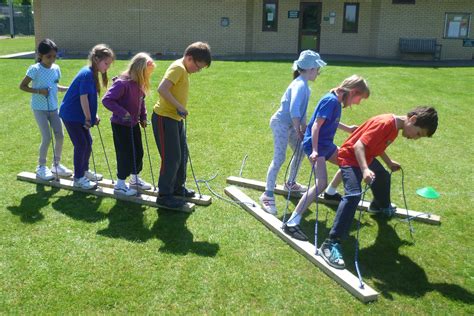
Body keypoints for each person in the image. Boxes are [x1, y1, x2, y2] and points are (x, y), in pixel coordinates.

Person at [320, 106, 438, 269]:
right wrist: (365, 169)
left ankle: (379, 206)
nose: (415, 138)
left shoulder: (395, 128)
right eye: (418, 133)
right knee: (354, 195)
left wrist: (388, 162)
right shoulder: (385, 123)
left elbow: (376, 146)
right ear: (412, 120)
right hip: (350, 158)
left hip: (364, 157)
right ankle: (331, 243)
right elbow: (359, 146)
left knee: (382, 177)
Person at [283, 75, 370, 241]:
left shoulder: (336, 101)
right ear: (353, 92)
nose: (358, 103)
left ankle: (331, 192)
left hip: (325, 144)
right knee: (320, 183)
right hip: (316, 146)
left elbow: (330, 121)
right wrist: (315, 151)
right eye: (360, 99)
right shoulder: (331, 101)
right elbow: (316, 125)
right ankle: (292, 222)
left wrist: (348, 128)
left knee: (347, 161)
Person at [259, 50, 327, 215]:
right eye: (317, 69)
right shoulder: (299, 85)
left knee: (301, 151)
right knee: (279, 158)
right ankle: (267, 195)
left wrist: (302, 127)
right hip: (281, 124)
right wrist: (298, 128)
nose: (318, 72)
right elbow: (294, 109)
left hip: (291, 125)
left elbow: (302, 112)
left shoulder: (305, 86)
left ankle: (290, 183)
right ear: (310, 69)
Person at [151, 42, 211, 209]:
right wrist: (178, 106)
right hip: (164, 118)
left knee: (182, 155)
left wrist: (178, 109)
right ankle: (164, 195)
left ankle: (177, 188)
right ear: (189, 58)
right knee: (171, 158)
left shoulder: (183, 69)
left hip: (175, 118)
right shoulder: (178, 68)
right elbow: (162, 89)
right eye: (198, 67)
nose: (197, 71)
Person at [59, 44, 115, 189]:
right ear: (96, 59)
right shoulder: (87, 74)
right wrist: (89, 118)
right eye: (106, 63)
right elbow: (83, 98)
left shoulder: (92, 74)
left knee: (88, 142)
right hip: (71, 115)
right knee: (81, 144)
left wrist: (93, 114)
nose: (107, 67)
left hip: (79, 115)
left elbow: (90, 98)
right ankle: (78, 178)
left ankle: (84, 171)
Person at [102, 52, 155, 196]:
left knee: (138, 152)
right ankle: (120, 184)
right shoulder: (122, 83)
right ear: (139, 69)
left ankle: (134, 179)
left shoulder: (139, 83)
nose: (148, 77)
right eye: (147, 73)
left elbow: (141, 101)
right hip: (121, 125)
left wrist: (143, 117)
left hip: (133, 124)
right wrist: (123, 112)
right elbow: (107, 100)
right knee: (124, 153)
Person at [19, 38, 71, 180]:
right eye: (49, 56)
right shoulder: (35, 69)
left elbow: (55, 87)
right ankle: (41, 167)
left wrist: (68, 89)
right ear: (40, 55)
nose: (52, 59)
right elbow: (22, 86)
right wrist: (39, 91)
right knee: (47, 137)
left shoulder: (56, 69)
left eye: (55, 56)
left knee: (60, 136)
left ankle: (56, 165)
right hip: (39, 109)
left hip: (54, 109)